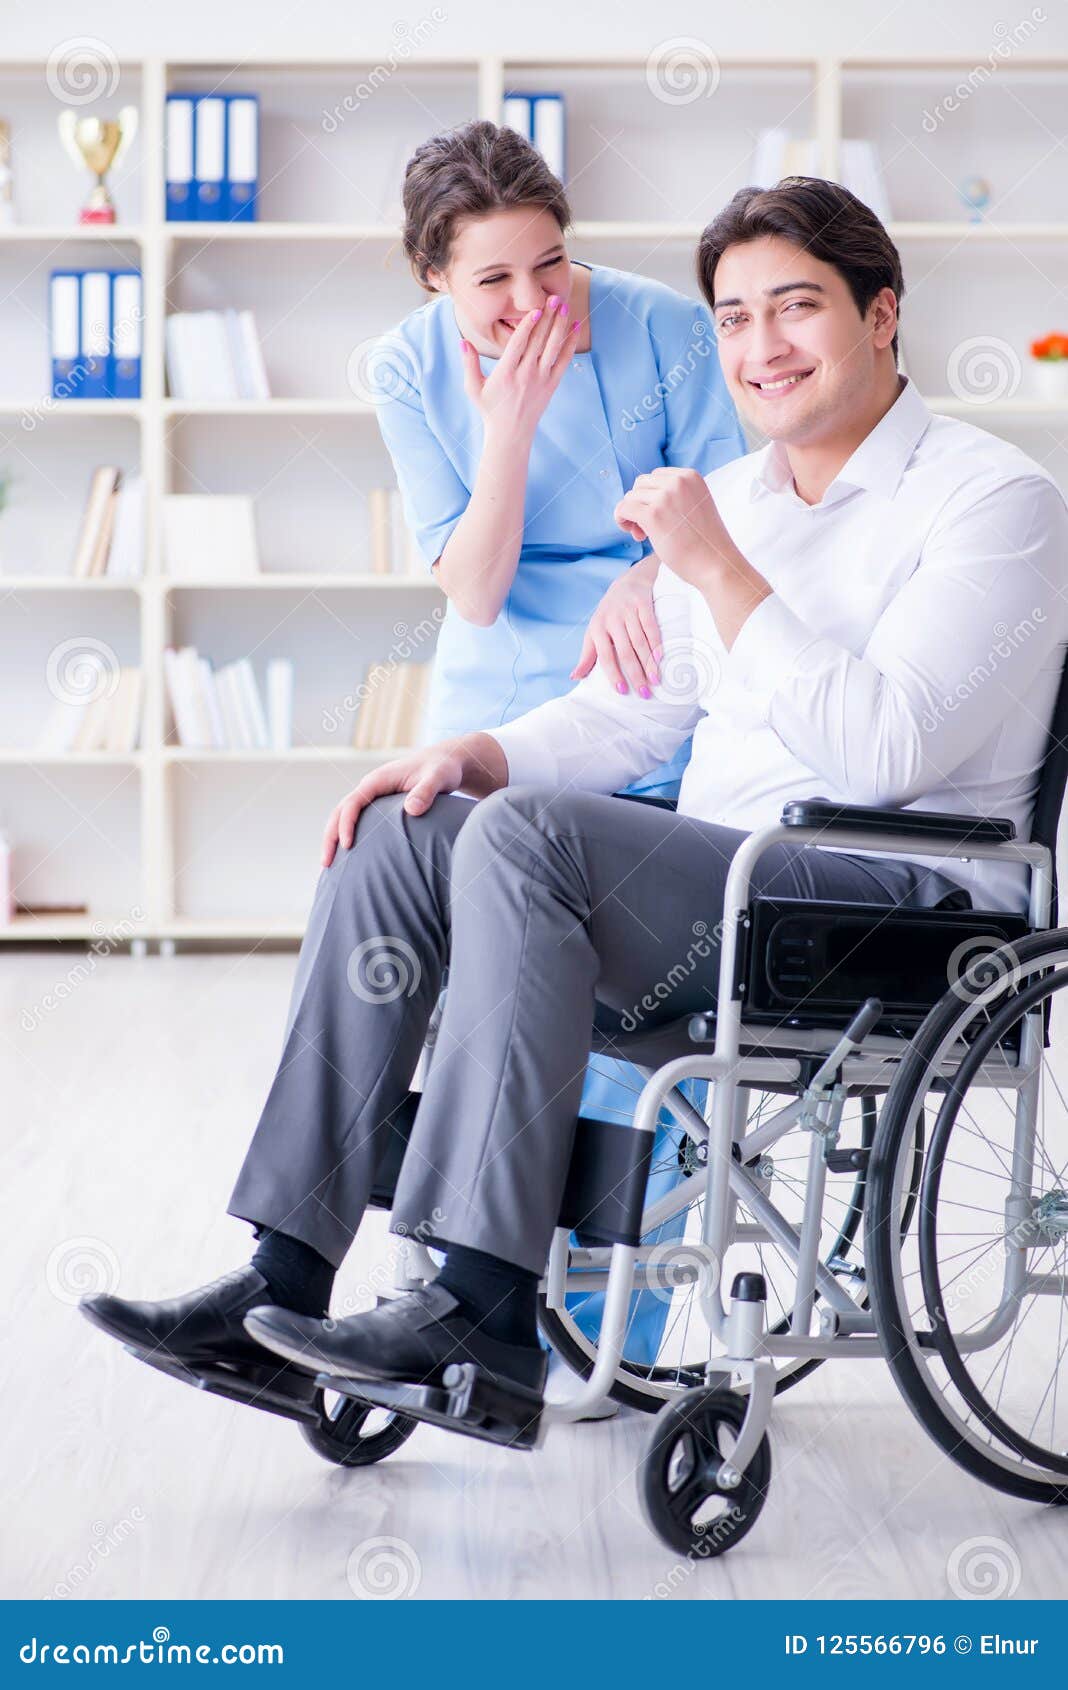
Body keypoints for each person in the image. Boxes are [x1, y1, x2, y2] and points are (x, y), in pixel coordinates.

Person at [81, 176, 1068, 1407]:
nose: (760, 348)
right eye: (733, 317)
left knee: (532, 842)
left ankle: (480, 1305)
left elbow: (888, 749)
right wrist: (476, 757)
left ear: (881, 314)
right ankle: (281, 1273)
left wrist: (713, 572)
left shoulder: (996, 502)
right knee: (407, 830)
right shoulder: (747, 500)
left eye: (796, 308)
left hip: (890, 909)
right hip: (735, 880)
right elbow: (638, 710)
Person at [367, 118, 746, 1365]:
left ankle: (601, 1325)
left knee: (618, 1015)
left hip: (645, 684)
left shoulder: (665, 330)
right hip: (495, 695)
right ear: (434, 279)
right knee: (464, 989)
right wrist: (508, 429)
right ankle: (450, 1282)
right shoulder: (407, 371)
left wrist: (653, 577)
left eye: (550, 264)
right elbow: (473, 592)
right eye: (492, 282)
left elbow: (731, 515)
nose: (534, 303)